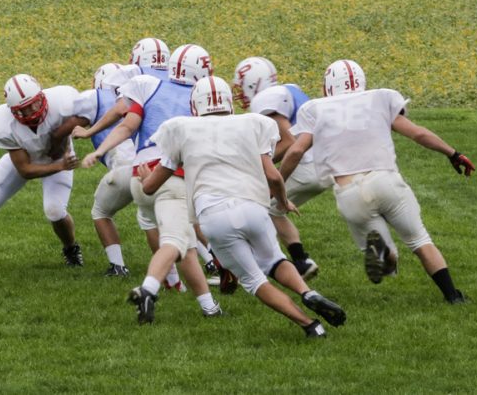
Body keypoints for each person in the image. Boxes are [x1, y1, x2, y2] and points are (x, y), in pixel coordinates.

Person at [137, 76, 346, 336]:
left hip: (214, 215)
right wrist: (282, 202)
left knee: (254, 280)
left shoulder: (180, 128)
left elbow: (150, 187)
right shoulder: (252, 123)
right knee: (275, 260)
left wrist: (146, 179)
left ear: (195, 106)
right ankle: (308, 292)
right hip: (253, 207)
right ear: (229, 102)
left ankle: (311, 326)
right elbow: (273, 176)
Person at [279, 60, 473, 303]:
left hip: (349, 191)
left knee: (385, 258)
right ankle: (453, 296)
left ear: (328, 85)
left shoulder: (315, 108)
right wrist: (453, 154)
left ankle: (386, 257)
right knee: (419, 240)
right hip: (386, 181)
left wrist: (278, 185)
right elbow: (418, 133)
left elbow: (296, 152)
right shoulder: (382, 97)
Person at [82, 45, 220, 308]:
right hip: (170, 174)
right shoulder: (199, 97)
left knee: (165, 232)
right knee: (177, 241)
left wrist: (98, 149)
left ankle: (202, 302)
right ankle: (148, 289)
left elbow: (126, 126)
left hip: (139, 175)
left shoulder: (149, 85)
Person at [0, 74, 90, 266]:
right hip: (35, 161)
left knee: (55, 211)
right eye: (23, 109)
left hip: (59, 157)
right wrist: (60, 166)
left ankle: (71, 248)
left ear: (41, 96)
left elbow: (89, 114)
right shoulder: (1, 122)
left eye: (34, 104)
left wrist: (64, 134)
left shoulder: (62, 100)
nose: (31, 111)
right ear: (12, 110)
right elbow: (25, 169)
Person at [233, 56, 329, 279]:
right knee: (272, 209)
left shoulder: (266, 99)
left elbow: (288, 141)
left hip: (305, 164)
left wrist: (260, 169)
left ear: (252, 82)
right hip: (325, 164)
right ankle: (301, 261)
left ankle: (243, 265)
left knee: (256, 205)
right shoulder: (290, 89)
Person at [74, 63, 140, 276]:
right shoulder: (140, 94)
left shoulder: (95, 96)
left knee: (101, 211)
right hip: (151, 163)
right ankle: (211, 260)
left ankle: (118, 266)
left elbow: (67, 114)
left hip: (125, 168)